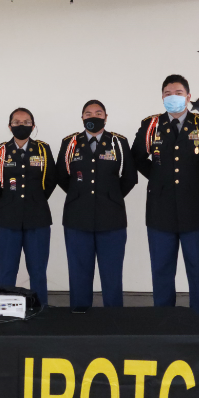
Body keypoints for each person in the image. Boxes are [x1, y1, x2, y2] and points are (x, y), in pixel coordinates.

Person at [133, 74, 199, 323]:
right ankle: (163, 318)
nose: (173, 97)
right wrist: (159, 177)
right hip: (161, 208)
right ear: (162, 97)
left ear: (189, 96)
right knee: (162, 269)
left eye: (179, 93)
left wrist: (196, 177)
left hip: (195, 207)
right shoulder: (151, 125)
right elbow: (137, 157)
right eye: (168, 93)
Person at [56, 100, 137, 308]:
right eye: (88, 113)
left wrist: (111, 197)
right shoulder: (70, 143)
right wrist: (80, 195)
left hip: (112, 218)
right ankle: (80, 319)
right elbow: (61, 176)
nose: (94, 116)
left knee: (112, 274)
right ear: (82, 117)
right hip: (77, 217)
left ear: (106, 117)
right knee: (78, 273)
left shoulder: (119, 142)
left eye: (99, 113)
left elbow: (129, 177)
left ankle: (113, 321)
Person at [0, 108, 56, 306]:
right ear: (10, 126)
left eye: (26, 122)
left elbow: (50, 180)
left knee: (37, 270)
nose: (21, 125)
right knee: (7, 270)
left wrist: (34, 200)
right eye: (17, 121)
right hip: (7, 219)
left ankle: (39, 309)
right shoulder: (0, 151)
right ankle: (4, 310)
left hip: (38, 218)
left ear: (33, 126)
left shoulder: (43, 149)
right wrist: (12, 203)